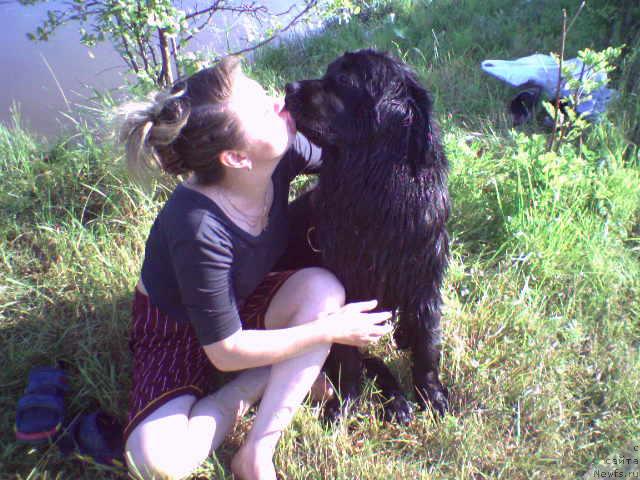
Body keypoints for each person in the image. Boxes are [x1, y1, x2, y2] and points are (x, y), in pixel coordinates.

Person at [118, 56, 393, 480]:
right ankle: (251, 387)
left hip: (243, 298)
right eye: (261, 110)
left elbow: (353, 159)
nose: (275, 98)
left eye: (262, 92)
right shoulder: (197, 226)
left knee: (322, 290)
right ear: (236, 158)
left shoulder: (283, 155)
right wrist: (328, 333)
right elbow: (225, 351)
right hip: (175, 329)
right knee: (154, 463)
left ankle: (255, 452)